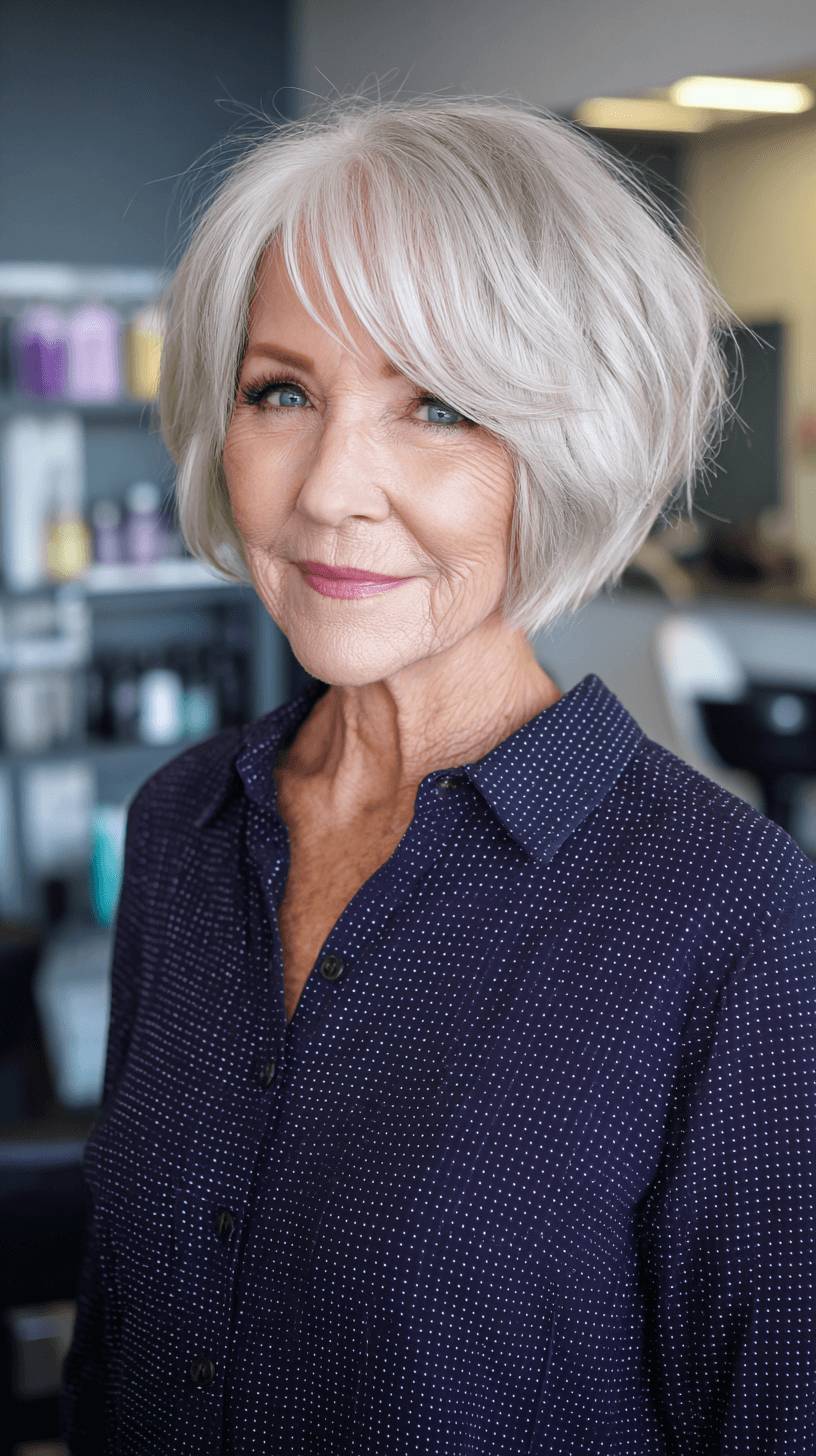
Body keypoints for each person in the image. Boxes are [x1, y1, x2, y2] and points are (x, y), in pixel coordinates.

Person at [60, 92, 816, 1453]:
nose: (333, 485)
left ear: (574, 443)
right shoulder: (182, 823)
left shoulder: (737, 922)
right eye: (280, 391)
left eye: (441, 406)